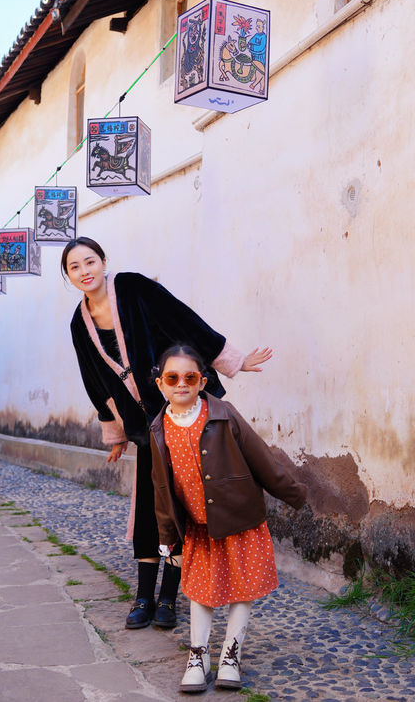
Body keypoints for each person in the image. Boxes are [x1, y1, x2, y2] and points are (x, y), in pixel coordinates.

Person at [62, 237, 272, 632]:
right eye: (74, 267)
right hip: (144, 428)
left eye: (90, 261)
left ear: (104, 262)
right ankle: (143, 595)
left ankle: (169, 598)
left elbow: (182, 319)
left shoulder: (134, 287)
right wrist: (116, 433)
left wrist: (234, 360)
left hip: (179, 414)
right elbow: (93, 379)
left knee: (181, 505)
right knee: (149, 508)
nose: (84, 271)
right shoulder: (79, 323)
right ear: (69, 276)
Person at [150, 344, 307, 693]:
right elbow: (160, 487)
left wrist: (295, 492)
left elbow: (261, 457)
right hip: (198, 528)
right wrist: (168, 537)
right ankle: (198, 655)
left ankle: (230, 656)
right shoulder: (159, 428)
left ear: (202, 381)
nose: (181, 384)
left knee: (243, 589)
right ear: (160, 384)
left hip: (240, 521)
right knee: (199, 593)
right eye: (172, 378)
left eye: (189, 377)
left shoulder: (223, 414)